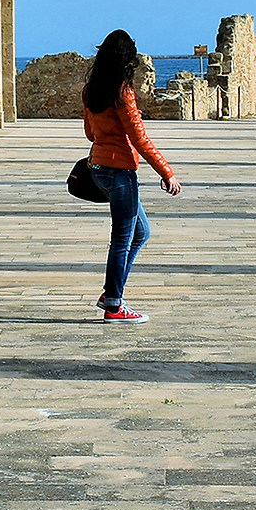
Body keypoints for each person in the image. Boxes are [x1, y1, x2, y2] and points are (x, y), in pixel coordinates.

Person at [81, 29, 180, 323]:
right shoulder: (122, 92)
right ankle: (114, 304)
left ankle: (111, 292)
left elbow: (90, 133)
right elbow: (139, 138)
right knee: (122, 238)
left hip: (98, 168)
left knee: (141, 232)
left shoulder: (91, 90)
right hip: (120, 172)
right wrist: (167, 173)